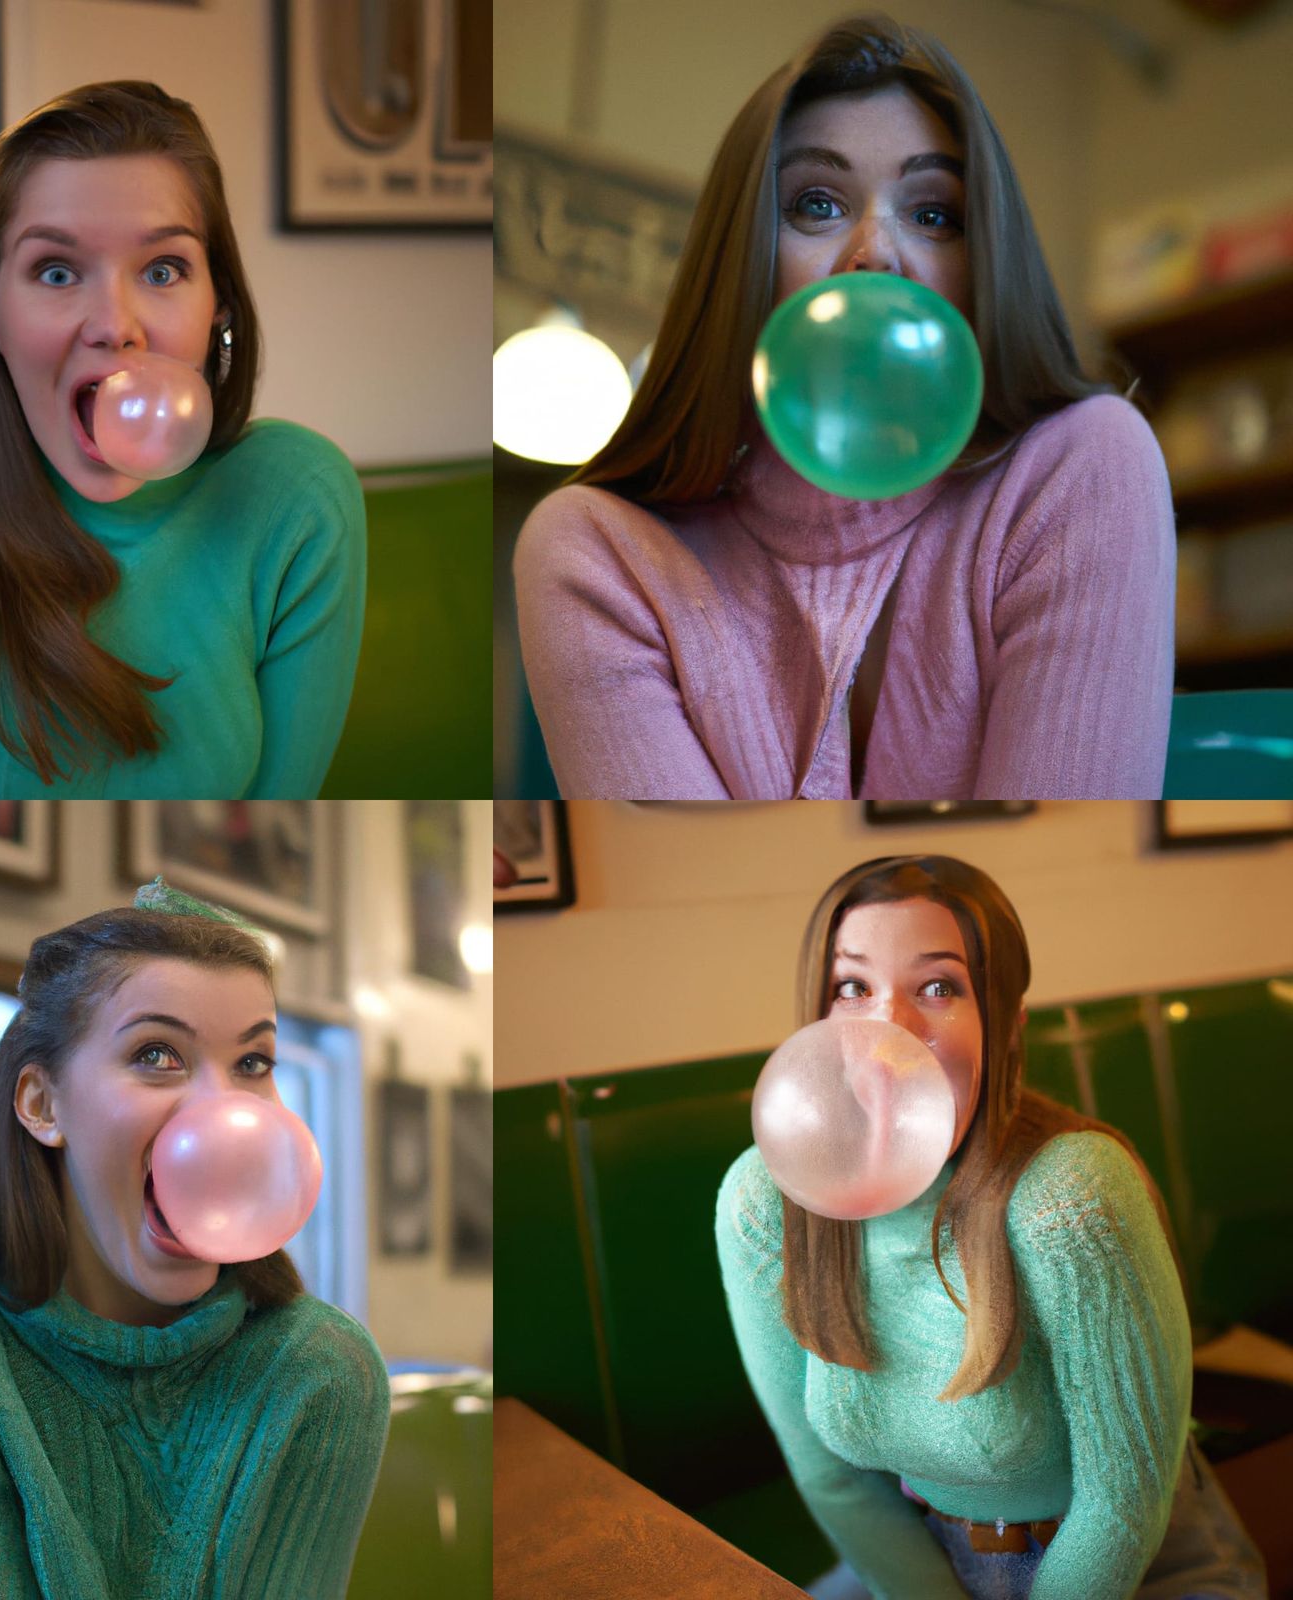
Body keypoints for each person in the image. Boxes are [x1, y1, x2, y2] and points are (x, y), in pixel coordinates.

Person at [514, 14, 1174, 801]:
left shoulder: (1085, 464)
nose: (877, 252)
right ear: (745, 257)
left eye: (934, 214)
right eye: (818, 204)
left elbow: (1055, 870)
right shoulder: (597, 551)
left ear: (984, 259)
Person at [0, 81, 366, 799]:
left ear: (219, 306)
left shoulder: (292, 496)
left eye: (163, 269)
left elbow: (285, 813)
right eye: (56, 271)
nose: (113, 324)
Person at [0, 878, 390, 1599]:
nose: (222, 1114)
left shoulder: (321, 1369)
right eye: (157, 1054)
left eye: (253, 1063)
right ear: (41, 1103)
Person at [714, 855, 1266, 1600]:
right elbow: (826, 1473)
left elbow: (1124, 1506)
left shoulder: (1067, 1195)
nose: (888, 1032)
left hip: (1133, 1566)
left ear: (1006, 1024)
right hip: (919, 1559)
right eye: (853, 987)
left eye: (938, 987)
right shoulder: (766, 1200)